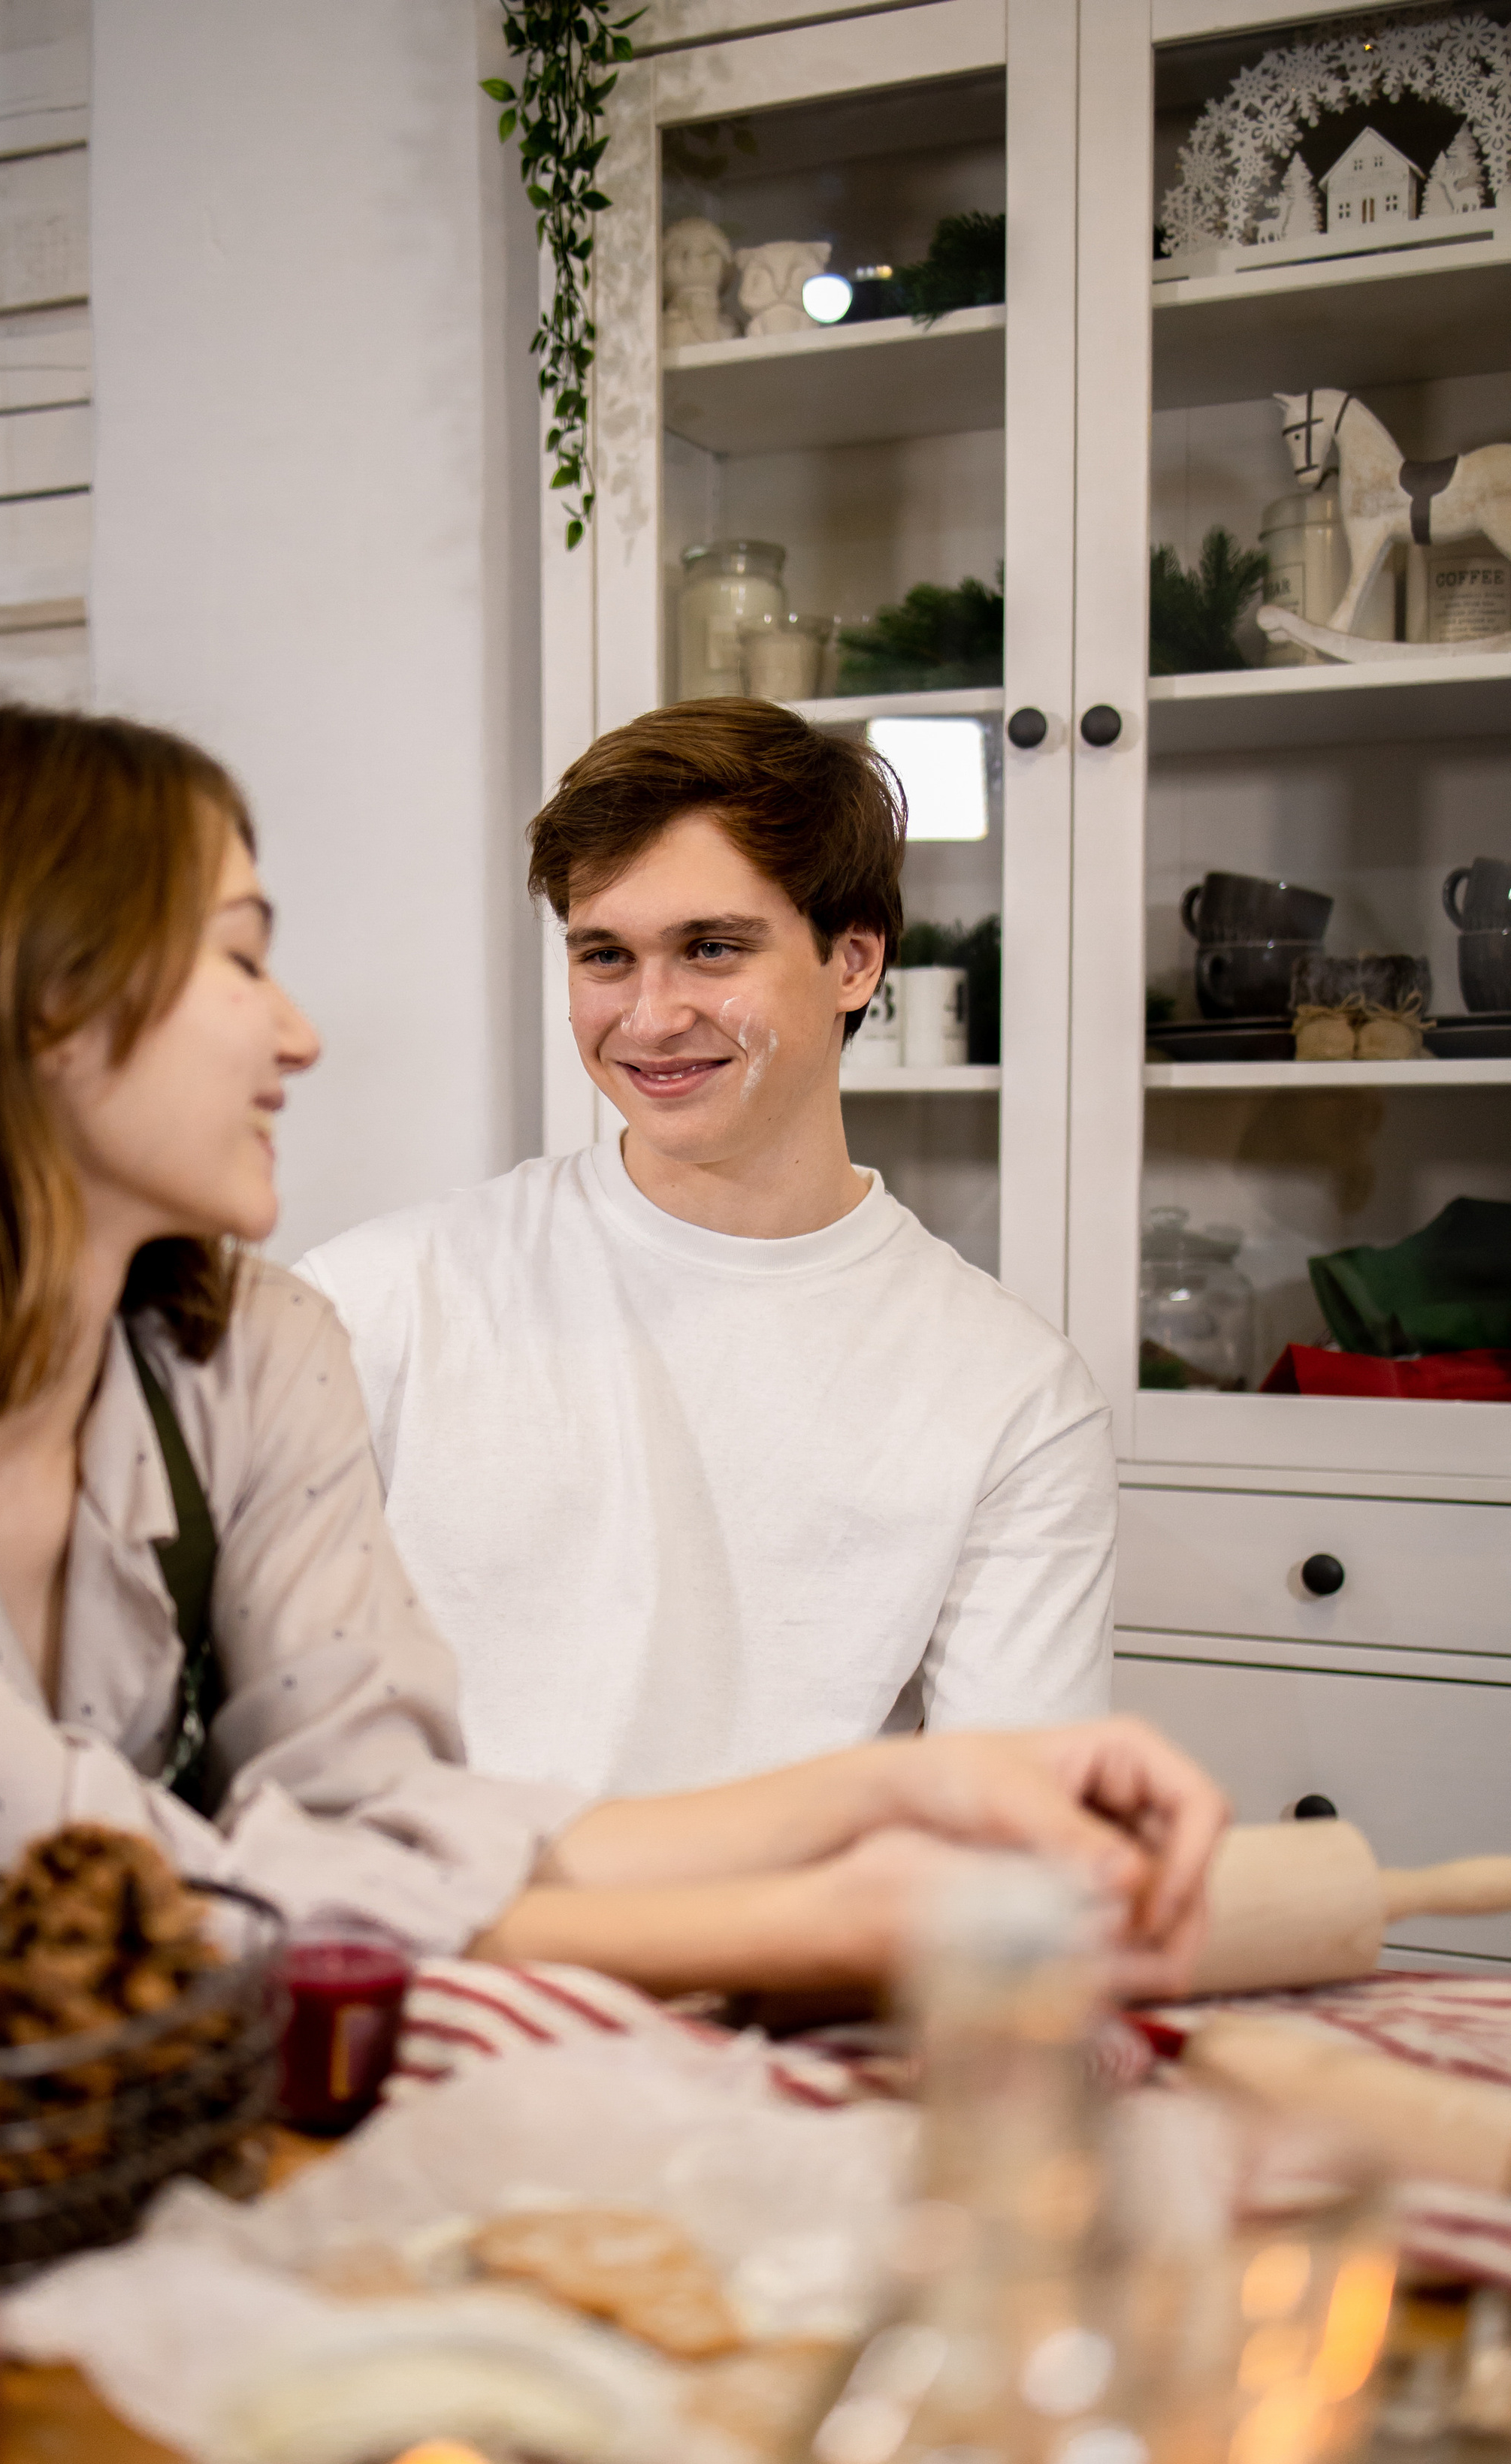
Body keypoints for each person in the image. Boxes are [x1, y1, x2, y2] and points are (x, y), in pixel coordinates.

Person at [0, 698, 1221, 2257]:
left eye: (709, 947)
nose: (299, 1030)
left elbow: (379, 1819)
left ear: (854, 962)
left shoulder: (245, 1349)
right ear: (25, 1003)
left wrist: (889, 1801)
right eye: (237, 957)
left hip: (120, 2134)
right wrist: (839, 1906)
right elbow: (113, 1888)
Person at [298, 699, 1117, 1799]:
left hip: (789, 1964)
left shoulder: (1011, 1393)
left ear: (855, 962)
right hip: (443, 1950)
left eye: (712, 949)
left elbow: (1015, 1839)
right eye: (605, 956)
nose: (648, 1016)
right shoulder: (378, 1303)